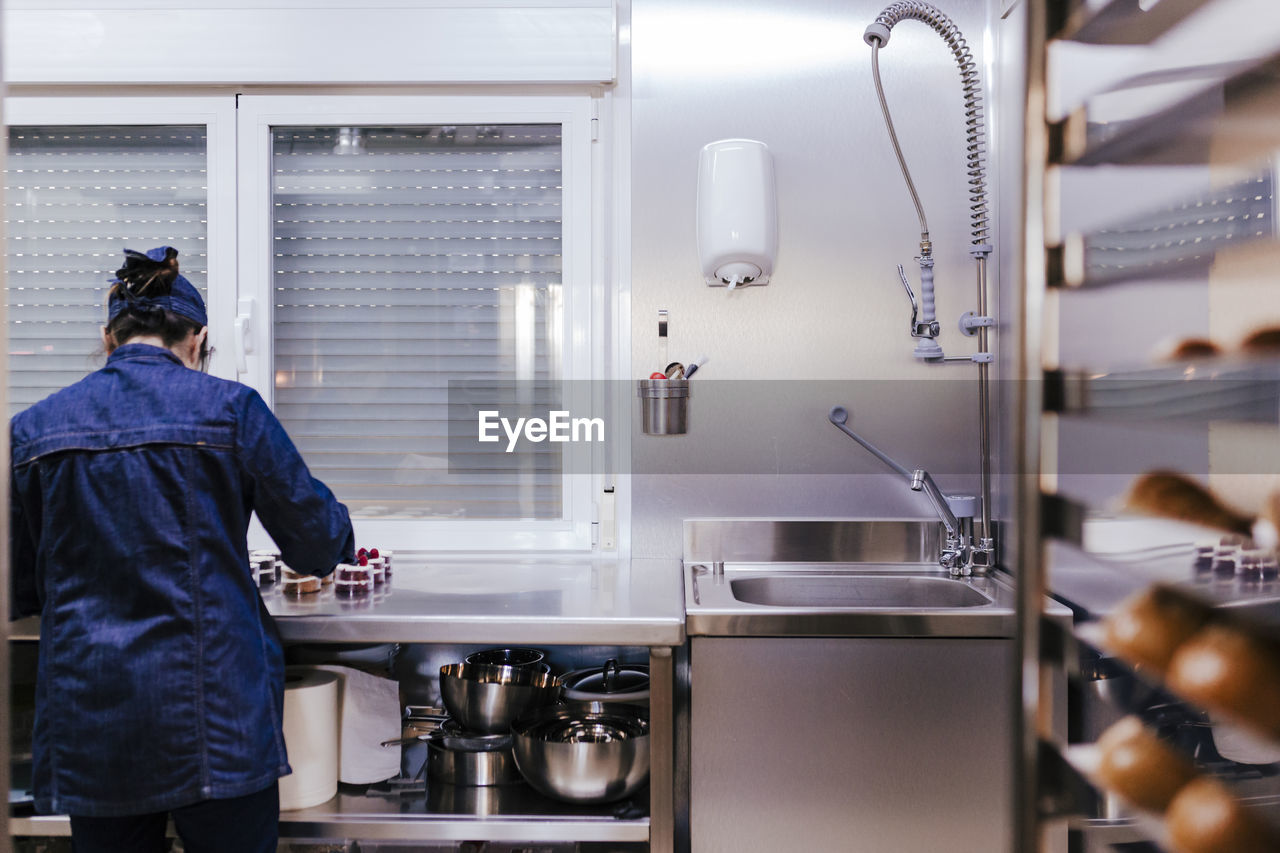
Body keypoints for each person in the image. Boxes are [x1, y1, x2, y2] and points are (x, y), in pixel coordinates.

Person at [10, 246, 355, 853]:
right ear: (197, 339)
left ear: (108, 338)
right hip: (216, 718)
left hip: (95, 722)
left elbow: (20, 587)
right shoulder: (232, 411)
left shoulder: (35, 430)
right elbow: (320, 544)